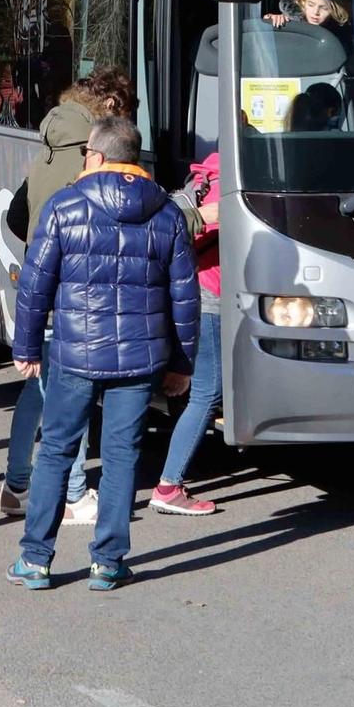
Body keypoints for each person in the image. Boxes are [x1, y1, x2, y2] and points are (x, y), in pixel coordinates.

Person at [6, 116, 199, 592]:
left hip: (75, 351)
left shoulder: (64, 205)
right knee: (121, 455)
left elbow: (34, 285)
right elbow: (184, 297)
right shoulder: (168, 214)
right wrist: (182, 363)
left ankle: (35, 559)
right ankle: (108, 561)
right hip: (139, 358)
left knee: (56, 450)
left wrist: (26, 346)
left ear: (95, 156)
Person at [0, 68, 138, 524]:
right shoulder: (87, 155)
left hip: (44, 278)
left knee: (40, 390)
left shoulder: (51, 147)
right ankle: (74, 494)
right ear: (111, 106)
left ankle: (17, 484)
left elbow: (17, 215)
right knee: (71, 392)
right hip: (75, 285)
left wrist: (41, 243)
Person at [150, 150, 224, 516]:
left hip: (199, 291)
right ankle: (168, 485)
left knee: (203, 390)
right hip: (212, 295)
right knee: (208, 392)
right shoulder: (227, 185)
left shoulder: (205, 176)